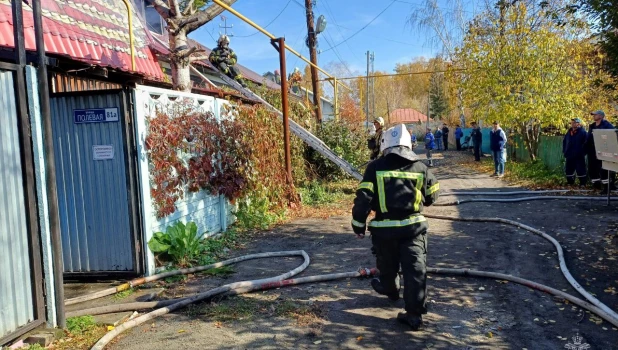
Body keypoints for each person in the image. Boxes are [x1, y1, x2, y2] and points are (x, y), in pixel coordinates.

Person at [351, 124, 440, 331]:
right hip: (414, 231)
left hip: (385, 231)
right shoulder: (420, 167)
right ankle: (414, 315)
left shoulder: (374, 167)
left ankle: (391, 291)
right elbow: (433, 195)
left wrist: (358, 226)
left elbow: (363, 200)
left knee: (387, 265)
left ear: (385, 145)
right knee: (416, 270)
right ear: (409, 144)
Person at [585, 110, 616, 193]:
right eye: (593, 115)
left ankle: (607, 188)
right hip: (592, 152)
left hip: (603, 152)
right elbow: (588, 139)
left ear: (601, 116)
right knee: (592, 170)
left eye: (596, 114)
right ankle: (597, 186)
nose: (594, 116)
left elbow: (611, 138)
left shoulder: (607, 126)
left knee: (604, 170)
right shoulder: (592, 126)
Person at [562, 118, 588, 186]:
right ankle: (570, 182)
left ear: (578, 124)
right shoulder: (569, 132)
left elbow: (586, 144)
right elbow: (564, 142)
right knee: (569, 169)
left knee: (581, 169)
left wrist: (583, 153)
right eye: (572, 123)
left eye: (574, 122)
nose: (572, 124)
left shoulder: (583, 133)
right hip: (569, 155)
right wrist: (565, 151)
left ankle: (582, 183)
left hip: (579, 155)